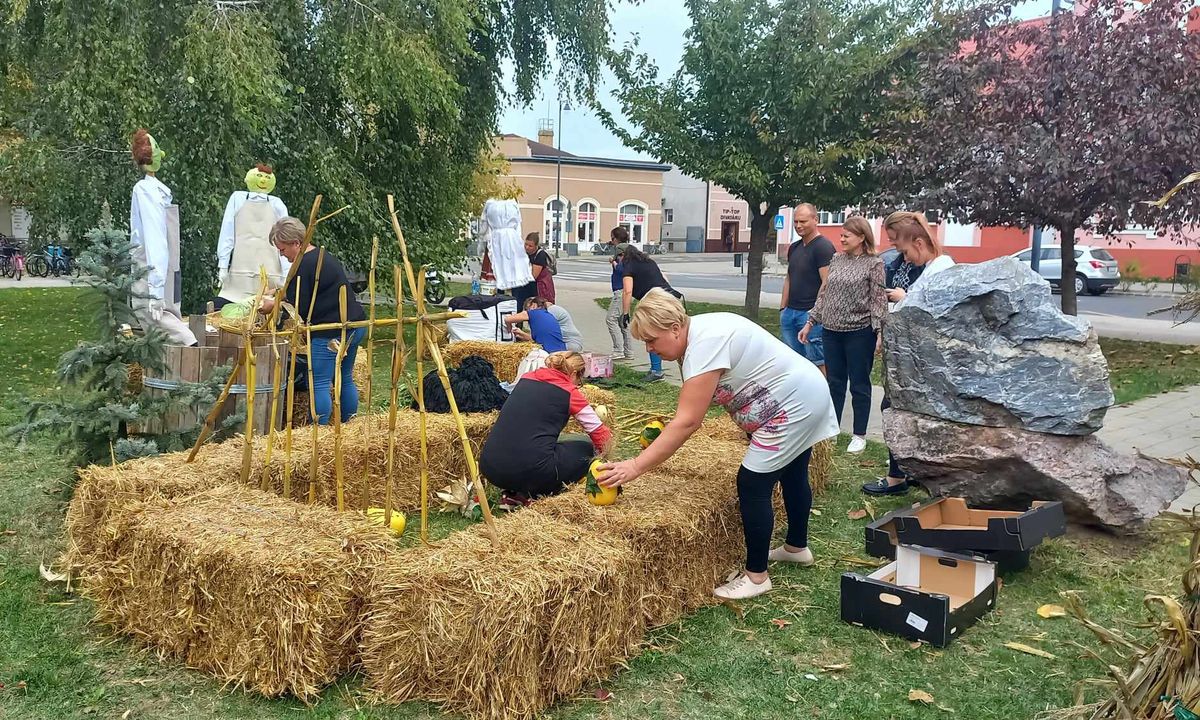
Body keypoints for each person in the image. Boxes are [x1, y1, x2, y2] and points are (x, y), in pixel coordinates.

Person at [600, 289, 839, 600]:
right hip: (804, 394)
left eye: (652, 340)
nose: (650, 349)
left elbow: (688, 421)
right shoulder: (702, 332)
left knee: (752, 483)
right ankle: (796, 547)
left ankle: (756, 576)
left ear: (675, 328)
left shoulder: (704, 344)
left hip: (790, 407)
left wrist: (635, 465)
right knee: (793, 473)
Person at [864, 211, 956, 496]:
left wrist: (907, 298)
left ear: (918, 242)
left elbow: (937, 313)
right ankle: (905, 473)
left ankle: (899, 477)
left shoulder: (941, 268)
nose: (903, 256)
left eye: (903, 249)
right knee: (894, 409)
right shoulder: (924, 266)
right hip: (908, 355)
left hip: (920, 361)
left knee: (896, 411)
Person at [257, 217, 366, 425]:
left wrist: (274, 304)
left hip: (331, 331)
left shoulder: (304, 265)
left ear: (296, 243)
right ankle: (348, 425)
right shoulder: (321, 256)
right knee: (345, 377)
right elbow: (301, 291)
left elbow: (302, 305)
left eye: (283, 249)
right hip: (355, 323)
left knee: (320, 382)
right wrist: (280, 294)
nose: (282, 254)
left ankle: (317, 431)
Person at [480, 351, 614, 506]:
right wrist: (608, 459)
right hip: (531, 470)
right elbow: (599, 433)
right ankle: (537, 491)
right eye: (579, 380)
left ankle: (514, 493)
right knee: (585, 447)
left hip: (491, 468)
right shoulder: (570, 392)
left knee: (538, 445)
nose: (578, 384)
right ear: (574, 374)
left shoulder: (526, 378)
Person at [800, 216, 885, 455]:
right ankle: (833, 429)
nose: (842, 239)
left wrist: (879, 331)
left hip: (859, 333)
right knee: (834, 383)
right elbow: (824, 293)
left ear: (861, 237)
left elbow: (878, 301)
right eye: (841, 235)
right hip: (831, 331)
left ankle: (859, 435)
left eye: (847, 235)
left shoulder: (874, 264)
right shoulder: (836, 259)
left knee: (859, 384)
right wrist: (811, 321)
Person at [129, 128, 197, 346]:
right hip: (166, 266)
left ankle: (192, 349)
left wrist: (155, 289)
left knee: (154, 316)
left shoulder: (145, 190)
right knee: (170, 313)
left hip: (150, 266)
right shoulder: (160, 191)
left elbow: (154, 237)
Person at [214, 163, 289, 309]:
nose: (262, 181)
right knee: (234, 308)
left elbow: (286, 238)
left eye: (266, 177)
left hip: (271, 270)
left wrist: (287, 273)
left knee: (265, 309)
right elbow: (227, 232)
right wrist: (223, 265)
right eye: (259, 176)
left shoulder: (277, 204)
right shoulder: (237, 199)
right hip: (241, 268)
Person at [780, 203, 835, 373]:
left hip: (810, 315)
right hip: (790, 313)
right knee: (793, 362)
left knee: (817, 361)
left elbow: (826, 283)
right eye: (796, 222)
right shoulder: (794, 247)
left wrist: (814, 314)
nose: (798, 226)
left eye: (803, 221)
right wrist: (783, 308)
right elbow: (789, 277)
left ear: (815, 220)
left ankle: (822, 397)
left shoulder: (823, 247)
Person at [617, 243, 683, 382]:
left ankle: (656, 371)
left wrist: (625, 313)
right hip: (671, 298)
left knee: (652, 334)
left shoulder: (628, 266)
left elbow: (627, 291)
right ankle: (685, 369)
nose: (619, 261)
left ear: (622, 255)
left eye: (619, 258)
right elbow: (664, 278)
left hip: (656, 303)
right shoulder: (648, 261)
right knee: (679, 336)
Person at [506, 297, 583, 352]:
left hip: (568, 344)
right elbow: (542, 337)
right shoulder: (548, 311)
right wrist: (521, 334)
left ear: (534, 305)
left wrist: (517, 332)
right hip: (568, 344)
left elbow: (543, 337)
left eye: (528, 309)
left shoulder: (550, 311)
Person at [605, 227, 635, 360]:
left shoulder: (622, 251)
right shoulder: (628, 250)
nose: (612, 242)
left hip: (621, 290)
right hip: (623, 290)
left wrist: (614, 263)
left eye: (612, 238)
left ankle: (618, 349)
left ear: (617, 239)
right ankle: (629, 351)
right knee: (623, 321)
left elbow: (623, 270)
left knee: (610, 319)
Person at [512, 232, 555, 310]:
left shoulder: (540, 255)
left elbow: (534, 276)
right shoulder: (523, 252)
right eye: (526, 244)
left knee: (535, 307)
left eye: (530, 246)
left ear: (536, 246)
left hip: (537, 287)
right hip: (522, 285)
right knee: (518, 305)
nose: (527, 247)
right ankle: (519, 320)